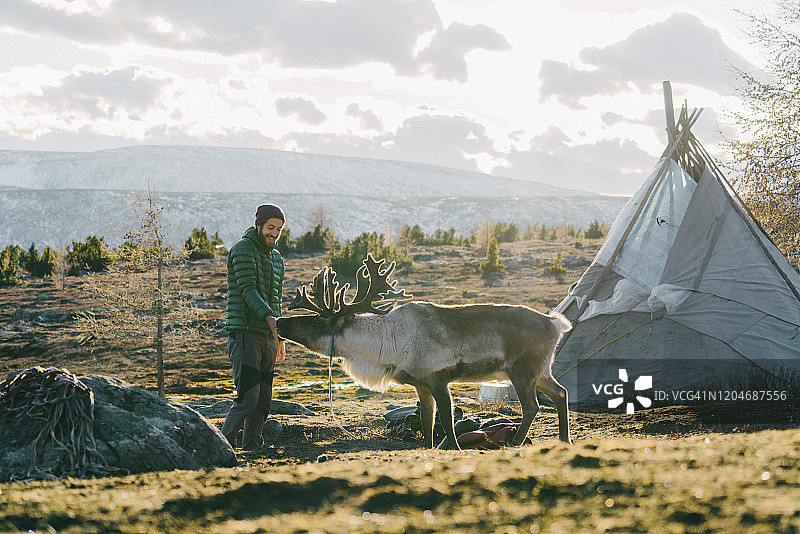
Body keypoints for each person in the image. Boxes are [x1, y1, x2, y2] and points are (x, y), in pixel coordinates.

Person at [220, 203, 287, 450]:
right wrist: (269, 318)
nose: (274, 233)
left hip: (268, 337)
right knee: (248, 398)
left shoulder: (277, 259)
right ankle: (222, 445)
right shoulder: (242, 249)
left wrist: (280, 339)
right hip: (245, 334)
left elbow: (276, 300)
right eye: (271, 227)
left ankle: (252, 447)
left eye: (279, 229)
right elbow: (248, 289)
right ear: (259, 225)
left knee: (263, 400)